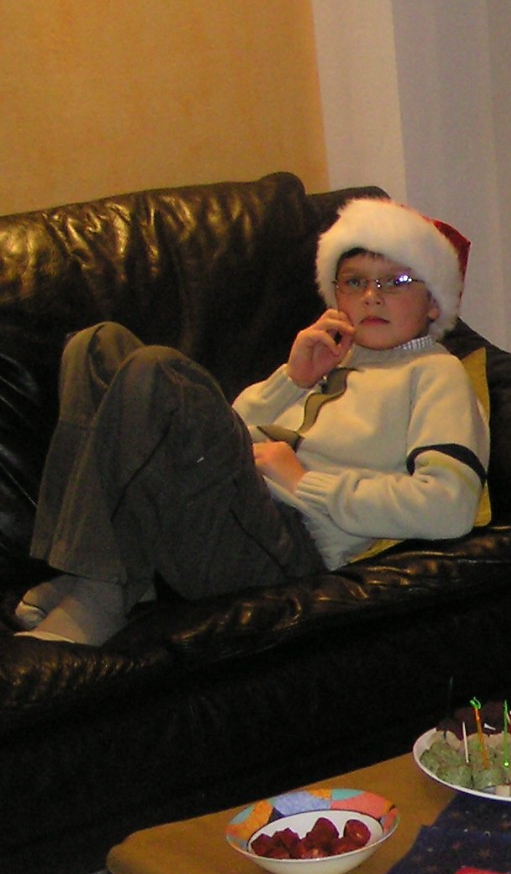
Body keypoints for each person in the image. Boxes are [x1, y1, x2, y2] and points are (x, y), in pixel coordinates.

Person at [12, 197, 487, 645]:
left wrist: (304, 482)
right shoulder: (330, 355)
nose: (372, 298)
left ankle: (98, 589)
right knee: (97, 345)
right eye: (355, 282)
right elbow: (215, 435)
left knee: (157, 370)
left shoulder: (435, 373)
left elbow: (449, 506)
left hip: (290, 546)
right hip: (234, 512)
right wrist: (292, 380)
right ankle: (99, 571)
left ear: (433, 302)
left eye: (395, 281)